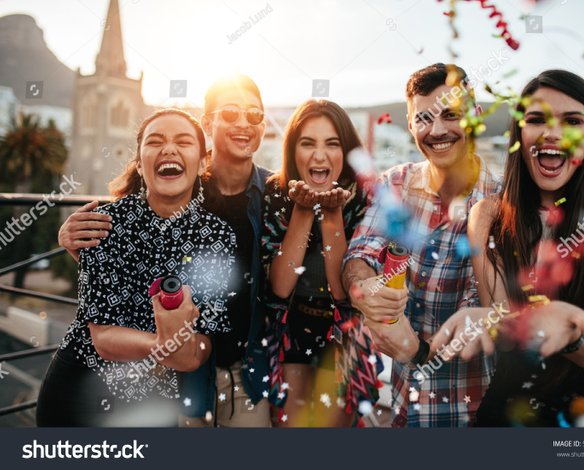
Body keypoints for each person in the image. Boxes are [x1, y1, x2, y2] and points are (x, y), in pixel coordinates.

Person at [57, 75, 273, 427]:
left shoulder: (276, 194)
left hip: (239, 365)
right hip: (175, 375)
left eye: (254, 114)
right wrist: (72, 237)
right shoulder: (175, 184)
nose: (243, 124)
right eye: (230, 113)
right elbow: (125, 249)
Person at [433, 69, 584, 426]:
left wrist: (563, 325)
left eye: (572, 120)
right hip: (515, 398)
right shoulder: (486, 216)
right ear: (519, 134)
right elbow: (497, 320)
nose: (552, 132)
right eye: (536, 119)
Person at [37, 108, 236, 426]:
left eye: (183, 141)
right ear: (140, 165)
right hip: (79, 392)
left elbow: (200, 346)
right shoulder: (104, 223)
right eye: (155, 141)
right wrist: (166, 345)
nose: (168, 149)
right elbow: (103, 338)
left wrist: (183, 351)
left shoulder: (219, 236)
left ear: (202, 163)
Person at [341, 63, 502, 427]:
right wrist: (365, 286)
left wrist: (419, 352)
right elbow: (360, 253)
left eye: (451, 115)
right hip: (405, 406)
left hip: (477, 411)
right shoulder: (395, 183)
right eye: (424, 118)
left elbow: (498, 312)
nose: (438, 130)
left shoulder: (504, 198)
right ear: (411, 124)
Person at [261, 99, 370, 427]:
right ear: (293, 150)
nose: (319, 155)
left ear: (346, 151)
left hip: (344, 330)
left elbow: (344, 294)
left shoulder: (363, 196)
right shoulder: (276, 193)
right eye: (307, 143)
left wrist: (333, 216)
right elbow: (280, 287)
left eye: (332, 144)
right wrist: (304, 209)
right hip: (290, 327)